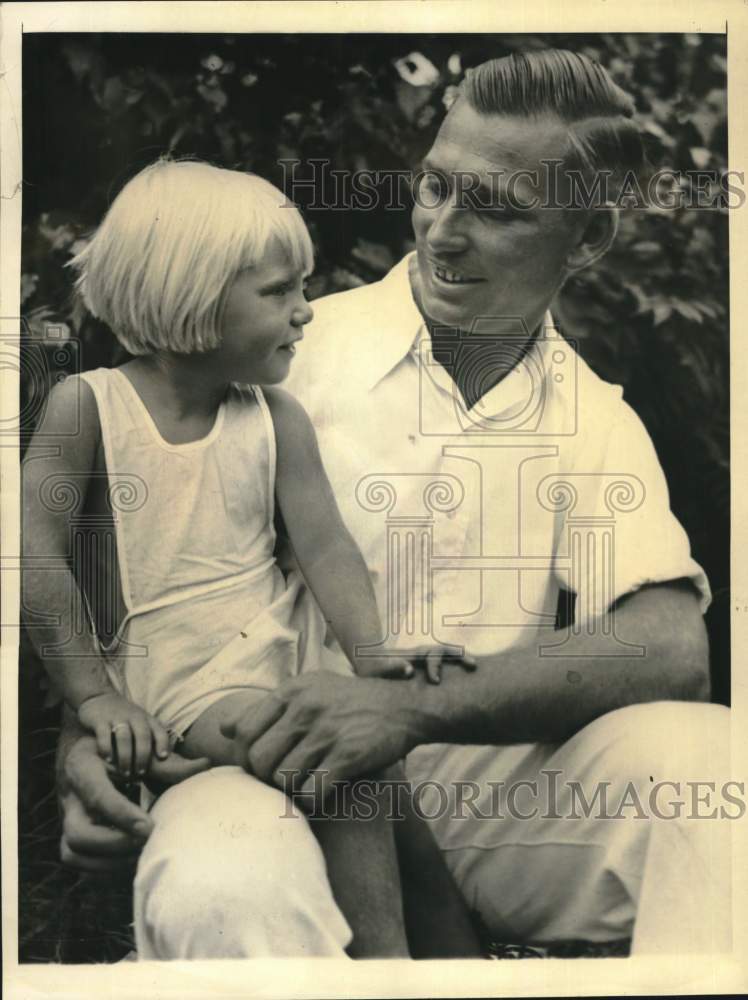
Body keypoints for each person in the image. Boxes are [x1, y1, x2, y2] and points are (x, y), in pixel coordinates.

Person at [52, 50, 731, 958]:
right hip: (267, 765)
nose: (444, 232)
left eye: (496, 208)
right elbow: (132, 565)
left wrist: (412, 710)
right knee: (224, 872)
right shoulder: (282, 361)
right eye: (438, 187)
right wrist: (82, 741)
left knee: (722, 772)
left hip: (504, 808)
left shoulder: (594, 417)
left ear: (590, 237)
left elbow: (673, 646)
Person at [22, 159, 484, 958]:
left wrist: (377, 660)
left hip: (271, 654)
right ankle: (388, 960)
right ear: (191, 295)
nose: (306, 313)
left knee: (372, 757)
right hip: (177, 674)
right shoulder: (89, 408)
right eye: (279, 293)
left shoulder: (274, 416)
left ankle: (439, 959)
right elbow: (31, 559)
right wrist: (94, 700)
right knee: (343, 756)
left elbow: (328, 550)